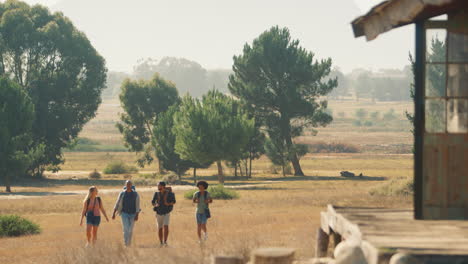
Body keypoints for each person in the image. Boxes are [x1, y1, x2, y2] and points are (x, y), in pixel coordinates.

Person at [112, 180, 141, 246]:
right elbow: (117, 203)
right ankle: (126, 244)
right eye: (127, 184)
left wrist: (137, 215)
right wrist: (113, 213)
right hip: (124, 213)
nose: (128, 186)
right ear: (125, 185)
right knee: (126, 228)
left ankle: (129, 242)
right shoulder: (122, 194)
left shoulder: (135, 194)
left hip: (133, 214)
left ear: (131, 185)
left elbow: (138, 205)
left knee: (130, 229)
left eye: (129, 184)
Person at [151, 181, 176, 247]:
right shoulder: (156, 194)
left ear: (163, 186)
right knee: (160, 228)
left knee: (166, 226)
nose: (158, 187)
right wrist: (155, 205)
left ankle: (165, 241)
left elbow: (174, 202)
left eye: (159, 186)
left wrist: (168, 203)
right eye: (158, 186)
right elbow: (153, 202)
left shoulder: (170, 194)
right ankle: (161, 242)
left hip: (166, 212)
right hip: (158, 212)